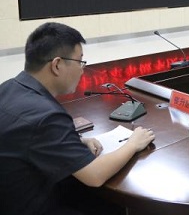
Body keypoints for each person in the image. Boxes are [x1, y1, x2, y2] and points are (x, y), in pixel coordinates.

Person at [0, 22, 155, 215]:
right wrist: (133, 143)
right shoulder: (46, 115)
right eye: (80, 61)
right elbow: (94, 176)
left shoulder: (8, 88)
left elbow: (25, 137)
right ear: (57, 65)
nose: (82, 69)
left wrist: (76, 141)